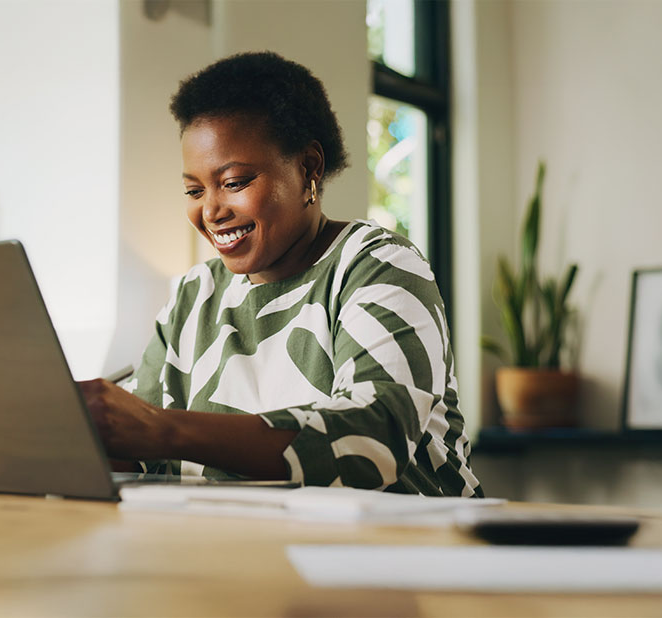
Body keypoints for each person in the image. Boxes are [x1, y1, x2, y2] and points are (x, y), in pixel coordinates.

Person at [78, 51, 482, 496]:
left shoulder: (376, 264)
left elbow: (373, 439)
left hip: (401, 551)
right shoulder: (198, 292)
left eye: (233, 182)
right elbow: (140, 449)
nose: (211, 211)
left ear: (309, 167)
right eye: (195, 189)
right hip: (244, 551)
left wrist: (163, 430)